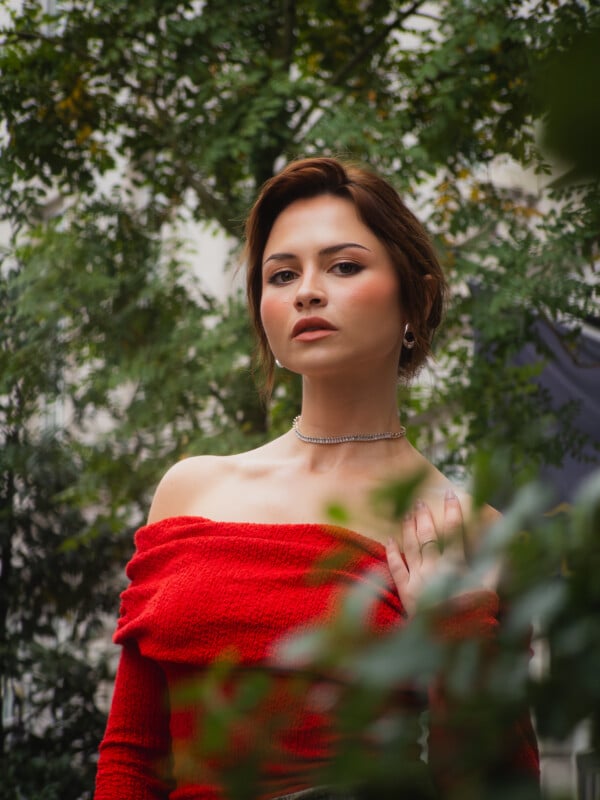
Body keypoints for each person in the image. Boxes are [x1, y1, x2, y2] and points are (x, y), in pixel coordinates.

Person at [94, 157, 539, 799]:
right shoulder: (191, 491)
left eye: (344, 266)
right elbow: (133, 757)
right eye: (281, 275)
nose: (307, 290)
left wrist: (455, 624)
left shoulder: (470, 530)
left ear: (419, 298)